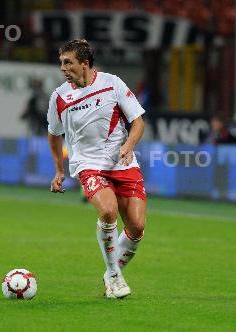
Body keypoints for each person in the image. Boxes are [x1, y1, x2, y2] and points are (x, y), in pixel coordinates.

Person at [47, 39, 146, 299]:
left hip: (122, 162)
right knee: (108, 210)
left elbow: (138, 122)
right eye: (61, 63)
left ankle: (111, 273)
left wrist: (129, 145)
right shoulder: (59, 97)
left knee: (136, 226)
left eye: (68, 62)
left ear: (85, 63)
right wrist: (59, 170)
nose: (63, 68)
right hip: (88, 165)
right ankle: (113, 275)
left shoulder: (112, 84)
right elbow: (53, 135)